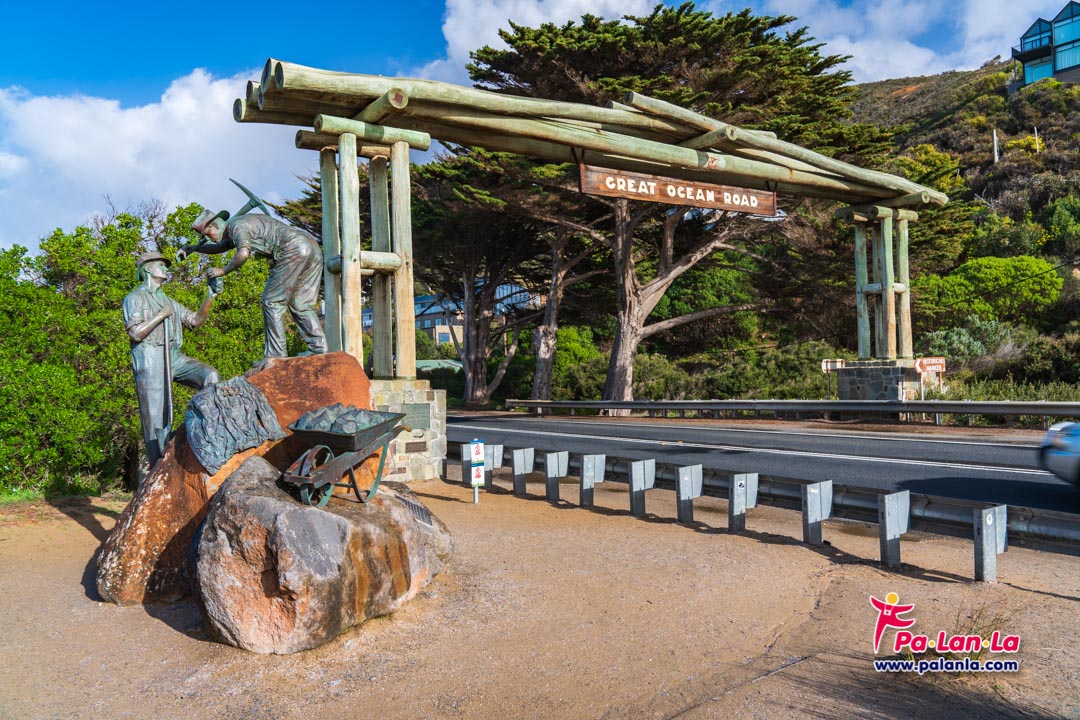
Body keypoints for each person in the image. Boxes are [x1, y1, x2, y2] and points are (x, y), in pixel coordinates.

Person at [184, 210, 327, 359]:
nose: (209, 239)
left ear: (215, 225)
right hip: (311, 247)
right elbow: (221, 247)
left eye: (208, 234)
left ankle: (276, 356)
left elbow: (243, 253)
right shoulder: (237, 226)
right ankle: (319, 347)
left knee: (271, 301)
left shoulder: (236, 227)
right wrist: (194, 248)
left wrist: (223, 271)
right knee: (300, 303)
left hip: (293, 248)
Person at [123, 251, 221, 468]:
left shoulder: (169, 301)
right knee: (156, 420)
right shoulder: (134, 298)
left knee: (210, 376)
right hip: (150, 357)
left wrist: (210, 296)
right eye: (161, 265)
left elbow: (195, 321)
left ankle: (202, 434)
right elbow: (135, 334)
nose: (166, 269)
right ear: (148, 268)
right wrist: (161, 316)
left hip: (173, 356)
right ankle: (158, 467)